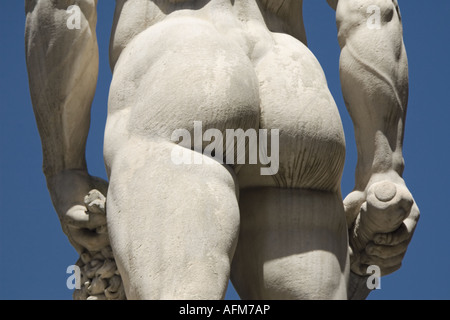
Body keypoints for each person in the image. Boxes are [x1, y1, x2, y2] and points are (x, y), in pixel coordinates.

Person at [25, 0, 419, 300]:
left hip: (183, 72)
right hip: (294, 86)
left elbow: (60, 7)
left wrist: (64, 165)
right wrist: (382, 169)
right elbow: (374, 11)